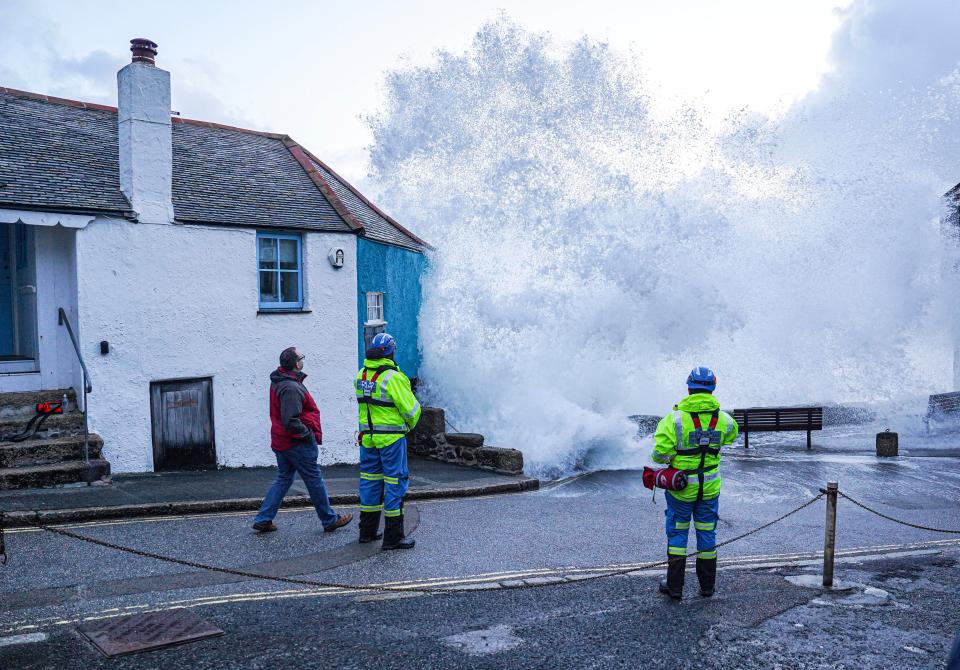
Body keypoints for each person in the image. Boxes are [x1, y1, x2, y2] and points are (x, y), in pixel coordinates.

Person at [651, 366, 739, 600]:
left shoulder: (674, 419)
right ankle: (707, 587)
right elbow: (731, 436)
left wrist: (674, 457)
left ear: (689, 387)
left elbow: (659, 454)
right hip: (709, 488)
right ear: (713, 387)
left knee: (678, 535)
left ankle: (675, 587)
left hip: (681, 489)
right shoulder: (724, 420)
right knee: (707, 535)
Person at [253, 347, 352, 533]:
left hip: (281, 440)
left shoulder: (280, 380)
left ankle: (264, 518)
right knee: (314, 480)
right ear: (296, 363)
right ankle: (329, 520)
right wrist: (308, 435)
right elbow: (290, 420)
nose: (303, 360)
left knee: (283, 479)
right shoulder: (290, 387)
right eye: (301, 357)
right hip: (295, 442)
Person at [354, 333, 421, 549]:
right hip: (391, 440)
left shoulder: (361, 375)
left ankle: (367, 532)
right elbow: (411, 410)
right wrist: (408, 426)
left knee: (370, 482)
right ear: (391, 351)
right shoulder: (394, 377)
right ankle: (393, 537)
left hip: (368, 439)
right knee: (395, 483)